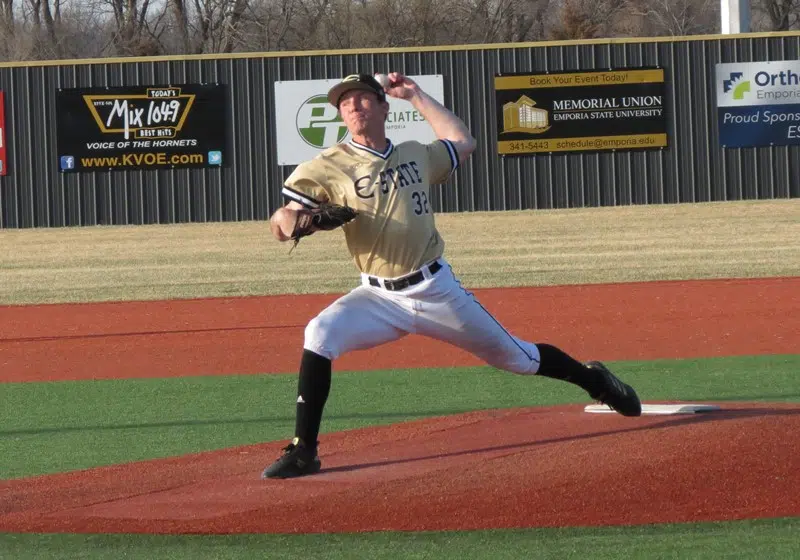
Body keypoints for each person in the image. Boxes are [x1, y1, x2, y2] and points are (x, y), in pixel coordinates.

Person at [262, 72, 641, 479]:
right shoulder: (327, 166)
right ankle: (304, 450)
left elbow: (464, 143)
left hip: (435, 289)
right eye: (344, 102)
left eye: (362, 98)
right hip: (377, 297)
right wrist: (300, 221)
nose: (353, 106)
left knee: (518, 358)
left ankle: (594, 380)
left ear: (383, 107)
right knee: (320, 332)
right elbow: (279, 221)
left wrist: (417, 96)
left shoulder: (415, 152)